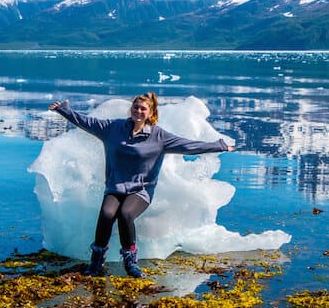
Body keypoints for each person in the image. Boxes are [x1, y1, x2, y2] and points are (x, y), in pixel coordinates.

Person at [48, 91, 235, 278]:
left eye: (143, 108)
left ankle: (130, 262)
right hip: (116, 187)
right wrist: (64, 111)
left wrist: (219, 145)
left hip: (141, 191)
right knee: (106, 214)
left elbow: (189, 146)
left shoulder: (159, 137)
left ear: (151, 113)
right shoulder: (113, 128)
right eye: (135, 107)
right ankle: (96, 263)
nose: (138, 111)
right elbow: (87, 123)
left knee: (125, 214)